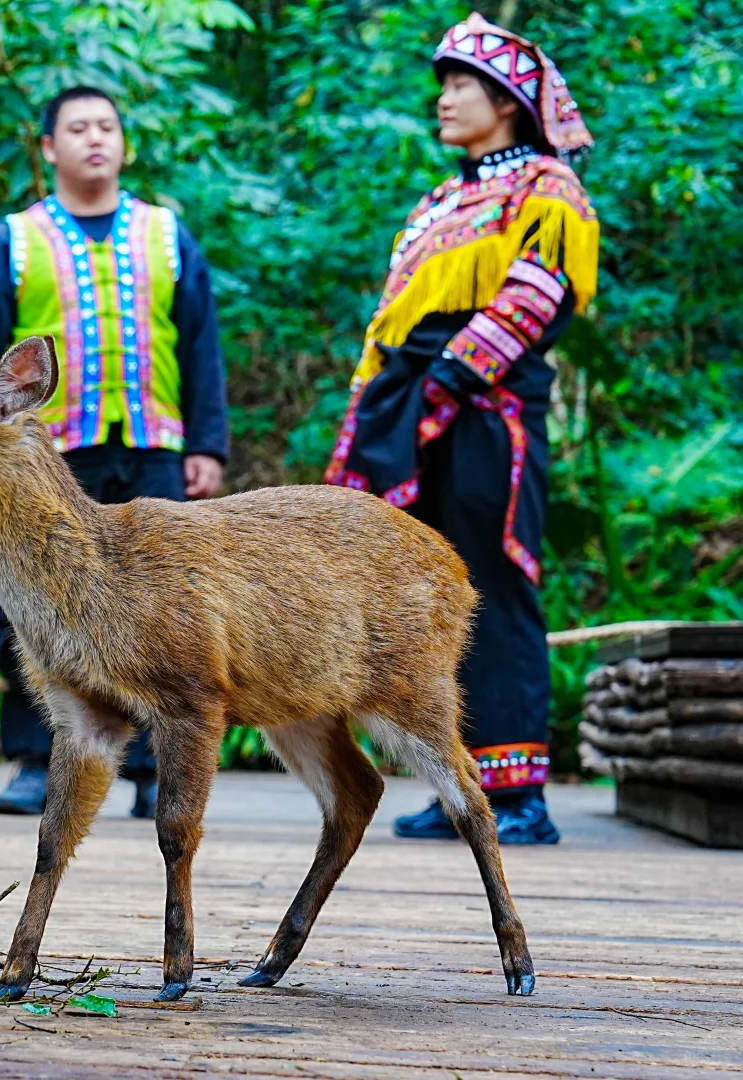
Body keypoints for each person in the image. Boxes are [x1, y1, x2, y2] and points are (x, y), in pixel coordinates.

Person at [325, 13, 599, 844]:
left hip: (486, 414)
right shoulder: (440, 199)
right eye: (442, 85)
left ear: (508, 101)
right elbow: (388, 324)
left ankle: (519, 795)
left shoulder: (545, 189)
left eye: (460, 86)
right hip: (413, 410)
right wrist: (373, 407)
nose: (443, 100)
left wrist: (450, 380)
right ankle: (458, 784)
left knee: (493, 583)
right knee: (421, 597)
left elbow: (536, 295)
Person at [0, 86, 229, 819]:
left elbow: (201, 344)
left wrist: (207, 445)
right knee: (27, 597)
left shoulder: (166, 234)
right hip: (44, 461)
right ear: (49, 148)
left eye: (107, 126)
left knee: (161, 608)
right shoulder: (13, 239)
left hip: (154, 447)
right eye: (77, 128)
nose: (94, 139)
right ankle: (34, 760)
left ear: (123, 143)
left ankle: (148, 766)